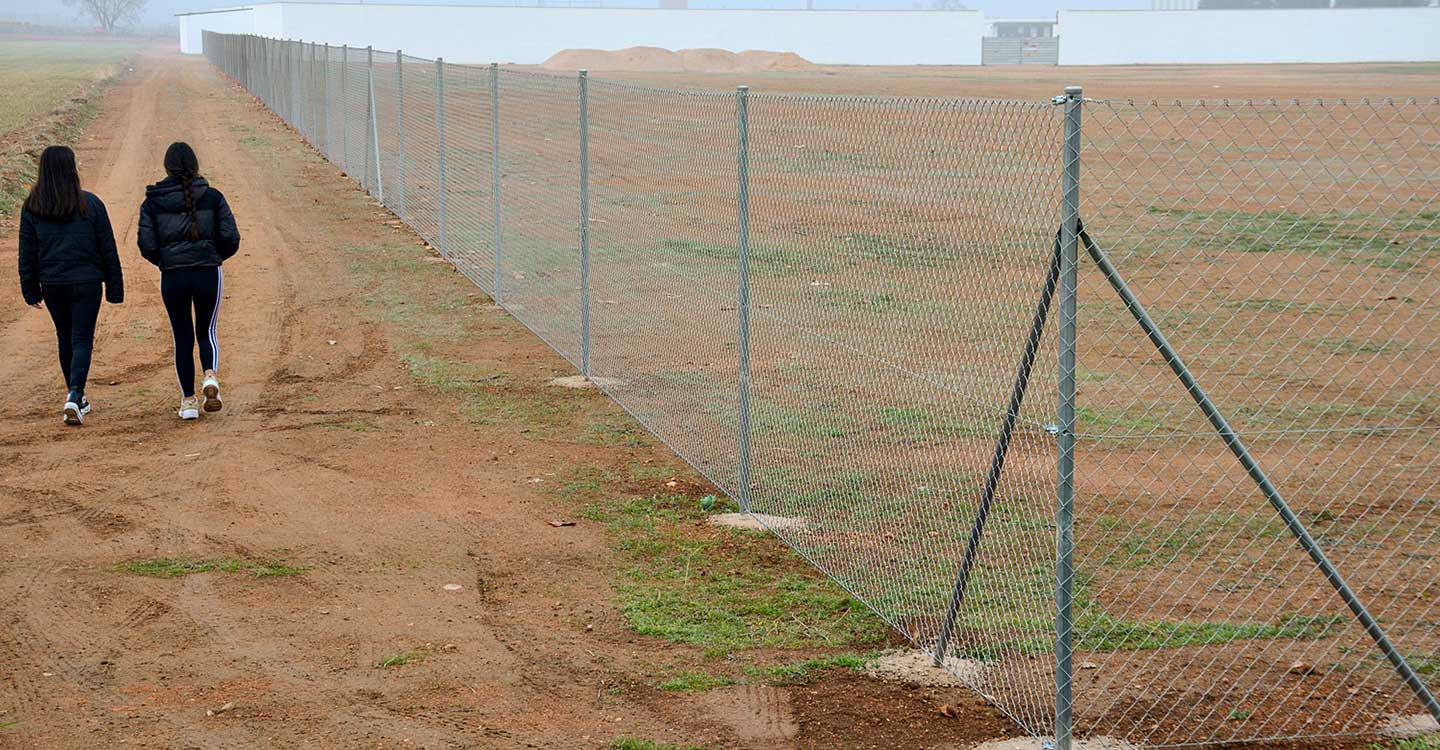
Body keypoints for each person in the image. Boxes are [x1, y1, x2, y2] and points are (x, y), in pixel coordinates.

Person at [18, 145, 124, 426]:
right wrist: (114, 288)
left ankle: (76, 396)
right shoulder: (91, 204)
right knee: (81, 339)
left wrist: (30, 290)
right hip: (88, 283)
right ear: (72, 169)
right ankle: (76, 394)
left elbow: (26, 254)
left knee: (65, 339)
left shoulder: (32, 208)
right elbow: (108, 250)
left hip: (53, 284)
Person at [138, 142, 240, 420]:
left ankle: (188, 402)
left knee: (182, 337)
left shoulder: (153, 201)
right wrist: (214, 256)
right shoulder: (213, 197)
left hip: (173, 276)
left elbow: (146, 244)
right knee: (207, 330)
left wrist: (165, 261)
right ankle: (209, 376)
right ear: (195, 165)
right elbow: (231, 237)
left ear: (166, 167)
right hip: (207, 272)